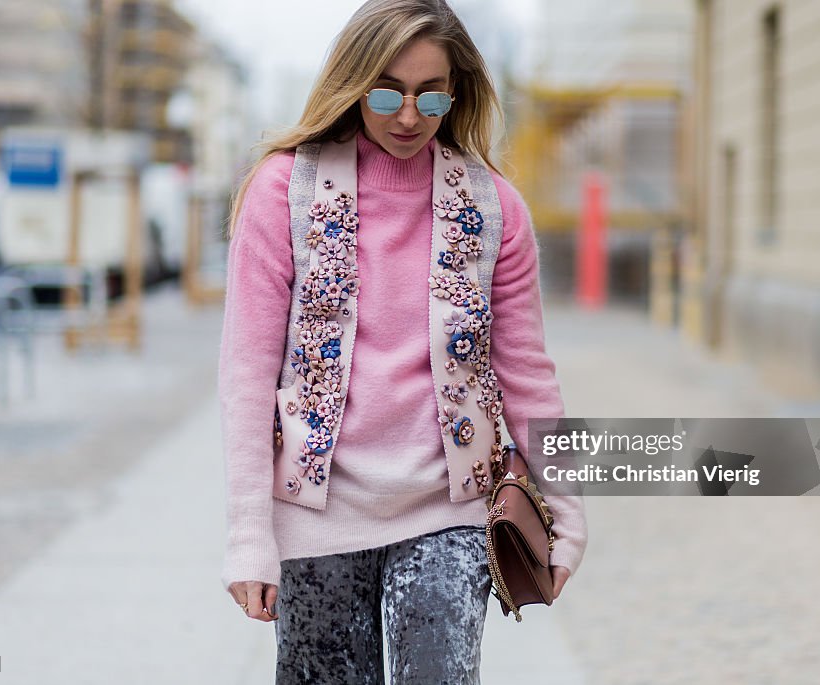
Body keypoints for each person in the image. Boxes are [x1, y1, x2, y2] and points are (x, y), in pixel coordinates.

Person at [219, 1, 587, 682]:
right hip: (313, 519)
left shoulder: (495, 207)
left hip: (447, 514)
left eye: (430, 94)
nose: (409, 115)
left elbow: (528, 373)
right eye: (386, 91)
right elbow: (246, 373)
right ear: (354, 84)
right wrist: (249, 534)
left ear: (457, 92)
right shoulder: (283, 193)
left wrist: (565, 508)